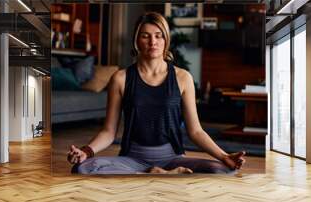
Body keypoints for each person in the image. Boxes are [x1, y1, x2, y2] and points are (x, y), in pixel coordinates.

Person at [67, 12, 246, 174]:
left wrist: (224, 157)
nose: (153, 42)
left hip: (172, 159)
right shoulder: (120, 79)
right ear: (137, 41)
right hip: (132, 159)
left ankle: (154, 174)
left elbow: (196, 131)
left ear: (166, 40)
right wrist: (86, 151)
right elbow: (108, 132)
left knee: (221, 170)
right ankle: (154, 174)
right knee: (83, 168)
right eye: (146, 36)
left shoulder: (183, 78)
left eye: (158, 36)